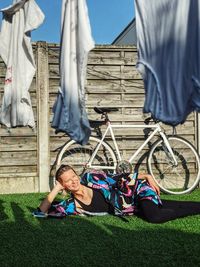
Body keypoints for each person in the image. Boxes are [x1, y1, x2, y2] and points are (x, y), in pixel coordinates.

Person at [33, 164, 200, 223]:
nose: (74, 181)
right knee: (164, 205)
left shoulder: (91, 178)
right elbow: (41, 213)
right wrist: (55, 189)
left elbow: (117, 177)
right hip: (134, 206)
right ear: (64, 186)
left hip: (137, 191)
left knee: (154, 216)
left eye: (73, 176)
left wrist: (147, 176)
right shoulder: (73, 205)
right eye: (67, 181)